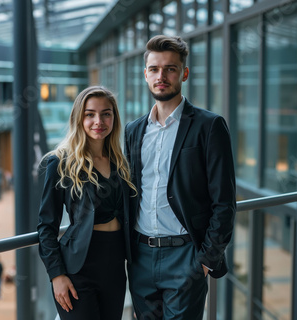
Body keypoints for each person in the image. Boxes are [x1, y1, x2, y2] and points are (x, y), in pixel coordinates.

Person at [124, 35, 236, 319]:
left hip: (186, 256)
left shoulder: (209, 126)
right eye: (154, 69)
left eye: (170, 69)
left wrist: (205, 261)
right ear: (145, 74)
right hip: (140, 256)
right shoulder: (133, 131)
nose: (161, 76)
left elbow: (224, 201)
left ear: (184, 73)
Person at [37, 86, 137, 319]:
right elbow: (46, 226)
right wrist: (56, 275)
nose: (98, 121)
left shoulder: (119, 162)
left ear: (114, 117)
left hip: (114, 268)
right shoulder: (60, 162)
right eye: (89, 114)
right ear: (78, 118)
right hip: (77, 270)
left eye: (106, 113)